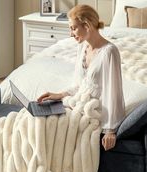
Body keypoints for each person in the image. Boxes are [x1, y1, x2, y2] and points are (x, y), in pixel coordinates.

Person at [37, 4, 125, 151]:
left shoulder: (109, 52)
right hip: (76, 103)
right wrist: (58, 95)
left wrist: (110, 130)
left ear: (87, 25)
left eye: (73, 28)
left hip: (91, 111)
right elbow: (80, 84)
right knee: (34, 119)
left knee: (47, 126)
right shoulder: (83, 47)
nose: (70, 34)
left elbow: (113, 93)